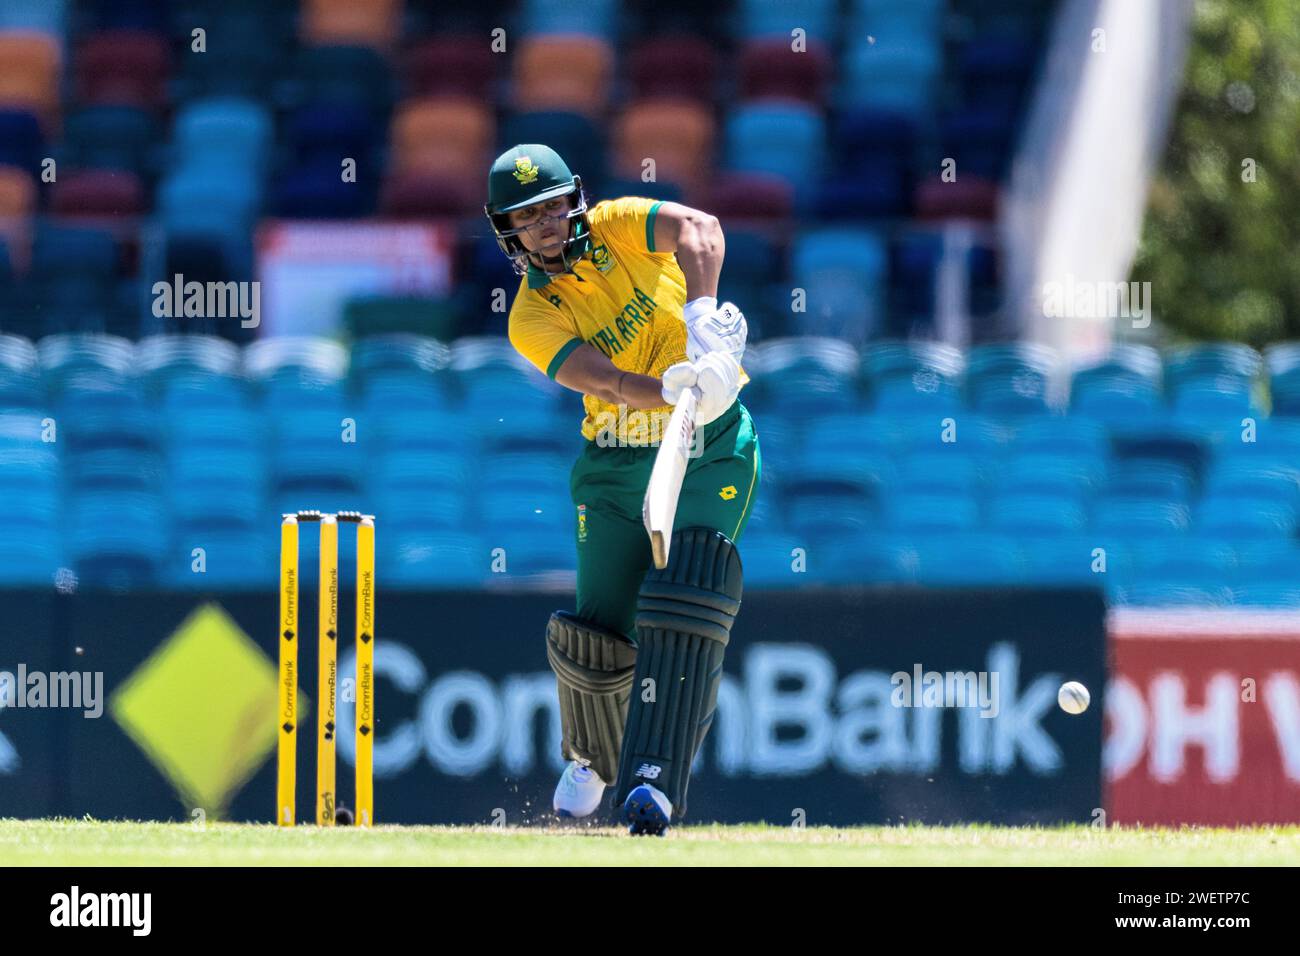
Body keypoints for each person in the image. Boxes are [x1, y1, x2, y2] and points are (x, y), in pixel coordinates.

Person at [485, 144, 760, 835]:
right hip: (616, 457)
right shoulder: (529, 316)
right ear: (508, 231)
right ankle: (592, 757)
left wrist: (704, 318)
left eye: (552, 206)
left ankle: (653, 784)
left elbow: (701, 229)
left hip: (712, 447)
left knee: (686, 600)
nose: (546, 224)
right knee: (600, 634)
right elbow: (601, 380)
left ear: (574, 199)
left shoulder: (616, 221)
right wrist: (674, 388)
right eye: (528, 216)